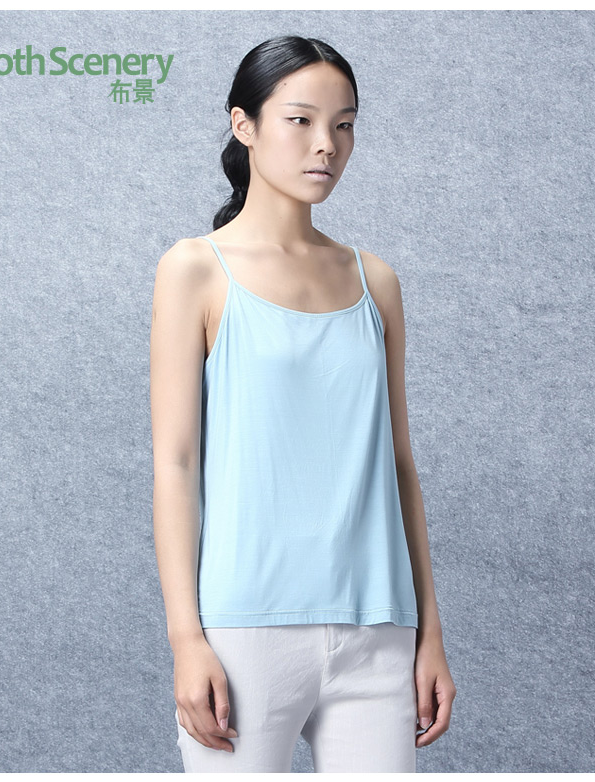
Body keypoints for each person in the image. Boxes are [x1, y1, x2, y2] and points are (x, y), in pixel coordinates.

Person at [150, 35, 456, 773]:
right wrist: (187, 639)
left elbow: (399, 465)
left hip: (378, 630)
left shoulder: (374, 280)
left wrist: (430, 634)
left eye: (344, 125)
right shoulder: (195, 270)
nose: (327, 145)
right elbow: (175, 464)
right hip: (244, 633)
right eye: (301, 120)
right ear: (244, 125)